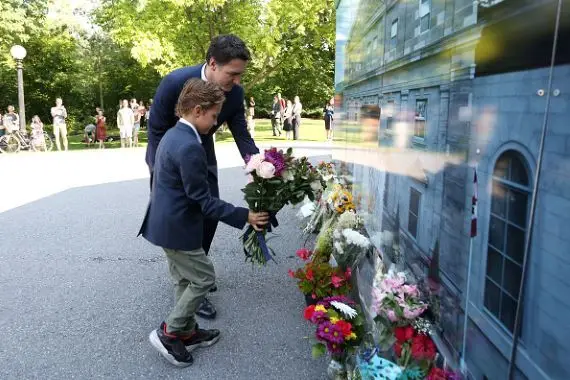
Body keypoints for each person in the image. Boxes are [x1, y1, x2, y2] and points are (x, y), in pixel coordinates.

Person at [142, 79, 269, 367]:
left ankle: (187, 332)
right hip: (177, 228)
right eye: (214, 117)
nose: (215, 123)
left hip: (164, 224)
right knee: (204, 278)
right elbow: (204, 201)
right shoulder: (189, 146)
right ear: (198, 110)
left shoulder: (173, 136)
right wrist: (245, 216)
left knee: (185, 279)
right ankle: (170, 332)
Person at [143, 34, 259, 320]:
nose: (237, 82)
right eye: (232, 74)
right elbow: (156, 129)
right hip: (167, 156)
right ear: (212, 64)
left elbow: (241, 134)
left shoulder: (235, 94)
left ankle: (195, 272)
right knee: (179, 213)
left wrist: (257, 166)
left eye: (240, 75)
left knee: (207, 212)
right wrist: (161, 171)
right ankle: (194, 284)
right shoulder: (174, 82)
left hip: (202, 154)